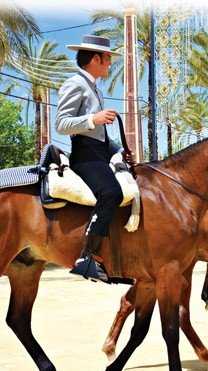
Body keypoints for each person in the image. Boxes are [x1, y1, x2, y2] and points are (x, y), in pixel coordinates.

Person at [55, 35, 133, 284]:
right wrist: (93, 119)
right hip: (85, 155)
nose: (110, 63)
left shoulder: (94, 88)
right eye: (108, 58)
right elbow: (61, 124)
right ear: (96, 59)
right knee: (111, 193)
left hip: (98, 152)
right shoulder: (75, 84)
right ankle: (86, 256)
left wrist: (118, 150)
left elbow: (100, 136)